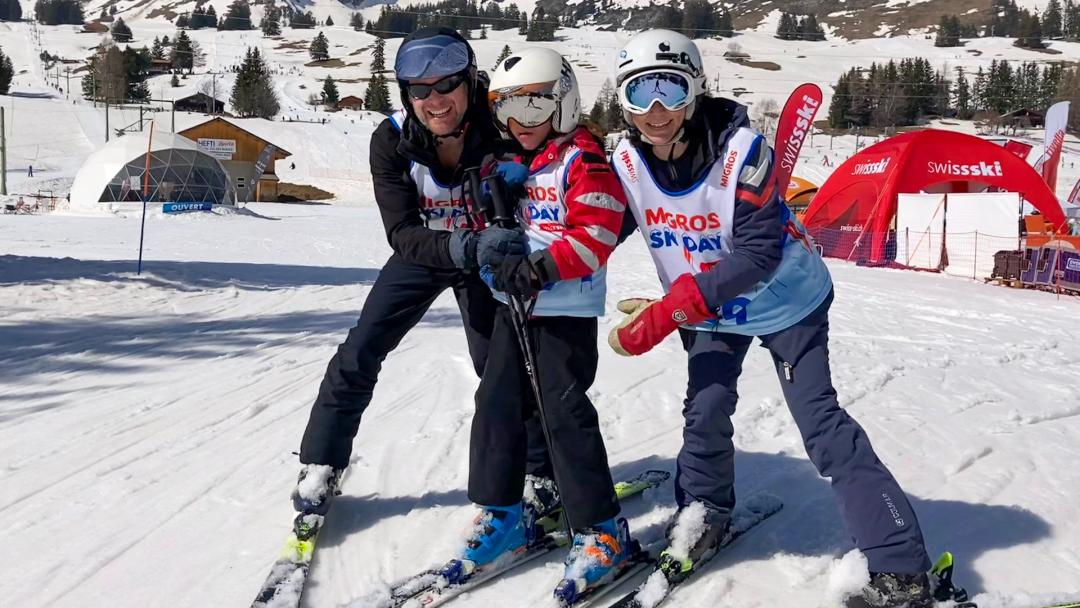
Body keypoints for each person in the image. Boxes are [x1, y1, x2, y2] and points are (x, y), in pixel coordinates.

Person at [606, 30, 935, 608]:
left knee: (820, 426)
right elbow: (606, 222)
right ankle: (702, 512)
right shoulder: (627, 158)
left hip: (788, 303)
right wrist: (542, 257)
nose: (655, 110)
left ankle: (898, 564)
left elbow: (757, 254)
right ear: (624, 101)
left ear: (695, 91)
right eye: (640, 93)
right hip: (711, 309)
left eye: (670, 89)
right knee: (704, 410)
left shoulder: (742, 153)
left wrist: (668, 311)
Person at [293, 28, 556, 521]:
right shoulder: (391, 140)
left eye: (447, 85)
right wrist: (463, 244)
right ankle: (321, 463)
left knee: (503, 364)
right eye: (420, 90)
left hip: (486, 259)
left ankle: (541, 471)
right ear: (405, 94)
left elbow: (560, 151)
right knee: (362, 347)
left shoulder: (501, 126)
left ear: (470, 82)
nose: (435, 101)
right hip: (428, 253)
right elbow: (400, 231)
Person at [439, 48, 631, 604]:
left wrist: (539, 268)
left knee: (562, 414)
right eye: (507, 108)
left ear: (564, 101)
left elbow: (596, 235)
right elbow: (497, 227)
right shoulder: (517, 162)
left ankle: (601, 530)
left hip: (563, 314)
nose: (520, 121)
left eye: (535, 104)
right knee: (496, 405)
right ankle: (502, 511)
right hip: (512, 307)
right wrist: (492, 244)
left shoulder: (585, 161)